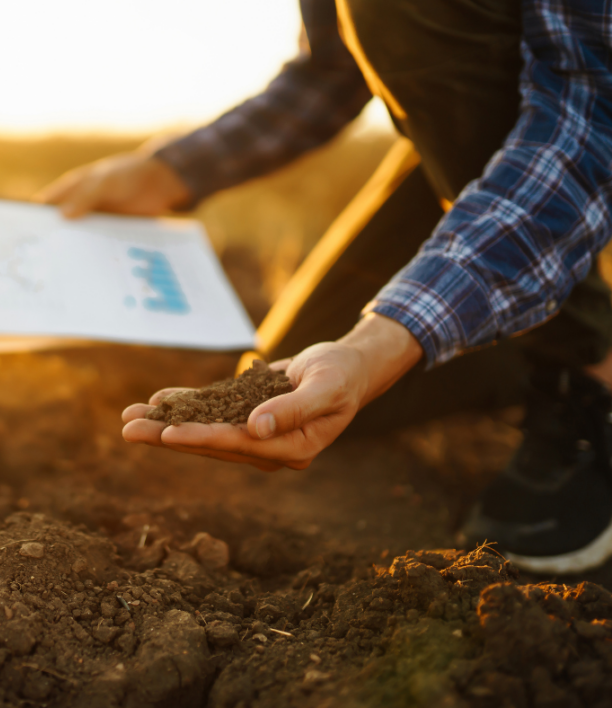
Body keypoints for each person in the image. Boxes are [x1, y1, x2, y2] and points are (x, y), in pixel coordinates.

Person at [36, 0, 612, 574]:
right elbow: (331, 69)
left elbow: (591, 123)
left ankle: (591, 367)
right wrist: (166, 173)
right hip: (509, 153)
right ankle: (521, 316)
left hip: (576, 138)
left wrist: (378, 344)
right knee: (296, 380)